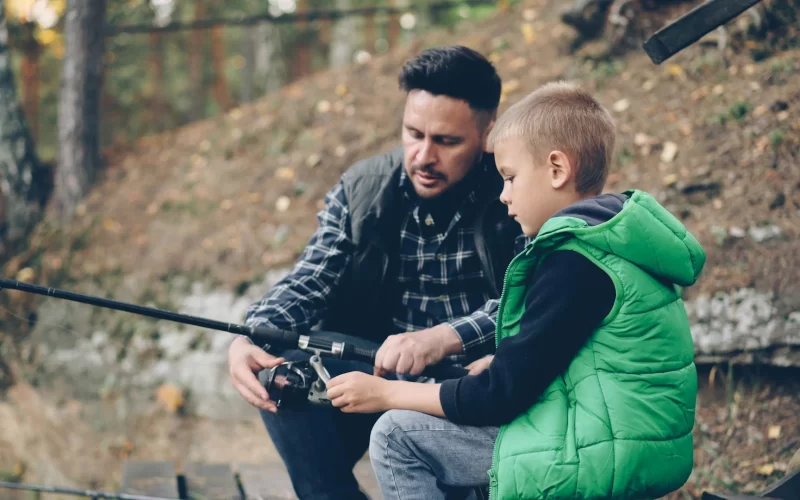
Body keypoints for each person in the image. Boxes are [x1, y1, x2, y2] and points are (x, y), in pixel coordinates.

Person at [326, 81, 706, 500]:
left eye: (509, 178)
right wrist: (501, 359)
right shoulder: (611, 243)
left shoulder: (574, 264)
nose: (504, 197)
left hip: (589, 450)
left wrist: (387, 393)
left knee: (398, 434)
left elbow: (498, 399)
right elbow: (587, 357)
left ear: (557, 170)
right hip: (621, 442)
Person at [228, 45, 526, 500]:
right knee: (282, 375)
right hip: (374, 373)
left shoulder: (518, 191)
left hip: (477, 384)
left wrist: (444, 337)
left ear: (488, 132)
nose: (424, 155)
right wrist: (252, 335)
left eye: (447, 142)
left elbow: (534, 296)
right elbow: (311, 278)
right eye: (413, 133)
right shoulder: (362, 188)